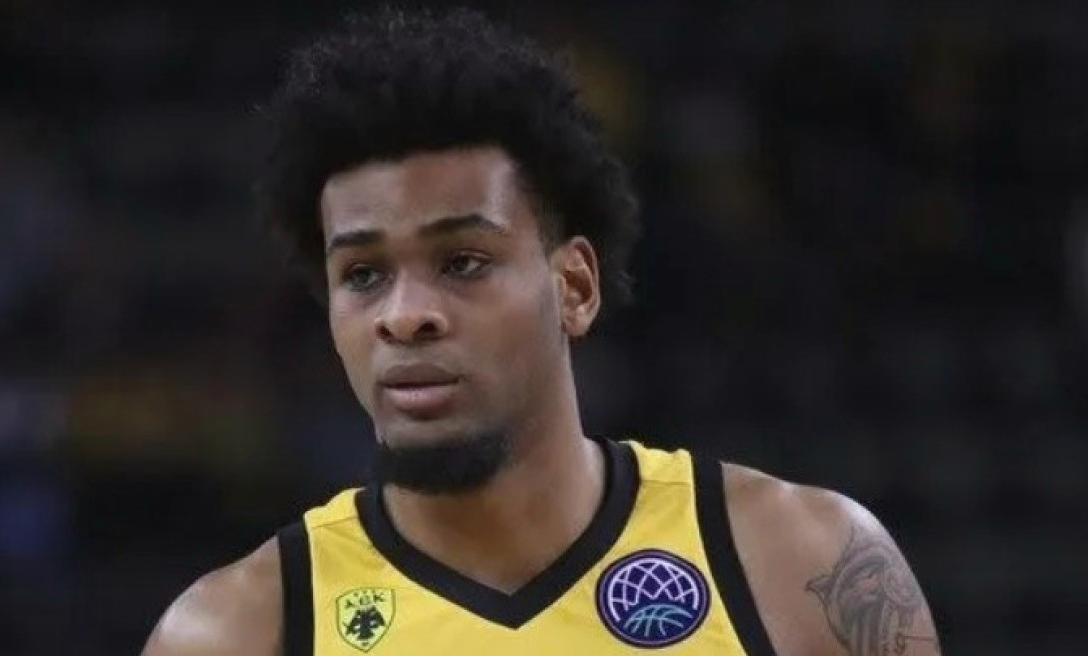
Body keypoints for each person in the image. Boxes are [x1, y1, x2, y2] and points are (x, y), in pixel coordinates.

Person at [141, 7, 941, 656]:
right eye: (363, 274)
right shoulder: (238, 632)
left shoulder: (801, 567)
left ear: (575, 287)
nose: (404, 314)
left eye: (462, 262)